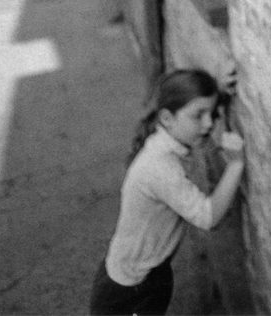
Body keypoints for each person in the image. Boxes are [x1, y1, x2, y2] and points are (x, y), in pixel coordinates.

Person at [89, 68, 245, 316]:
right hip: (129, 287)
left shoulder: (165, 136)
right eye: (199, 115)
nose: (208, 123)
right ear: (167, 118)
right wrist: (236, 164)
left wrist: (217, 90)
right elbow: (208, 217)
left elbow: (188, 109)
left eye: (211, 113)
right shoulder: (160, 168)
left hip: (150, 272)